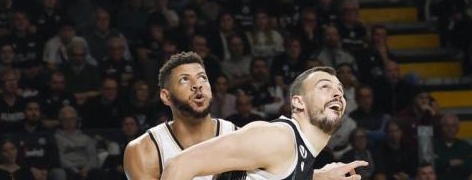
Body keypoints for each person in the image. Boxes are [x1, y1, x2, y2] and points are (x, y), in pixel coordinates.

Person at [159, 66, 367, 180]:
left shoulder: (298, 152)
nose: (337, 94)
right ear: (298, 102)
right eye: (324, 87)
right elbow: (178, 165)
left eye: (340, 90)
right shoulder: (277, 138)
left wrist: (320, 177)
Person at [123, 52, 238, 180]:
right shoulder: (144, 150)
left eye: (202, 78)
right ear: (166, 97)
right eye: (184, 79)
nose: (197, 85)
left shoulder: (240, 137)